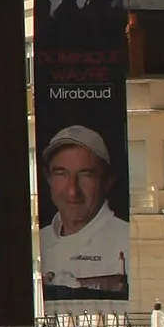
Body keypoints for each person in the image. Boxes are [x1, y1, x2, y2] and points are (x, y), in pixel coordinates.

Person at [39, 127, 131, 300]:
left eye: (85, 175)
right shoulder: (41, 239)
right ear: (48, 178)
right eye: (61, 174)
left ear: (107, 180)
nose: (73, 191)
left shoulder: (126, 239)